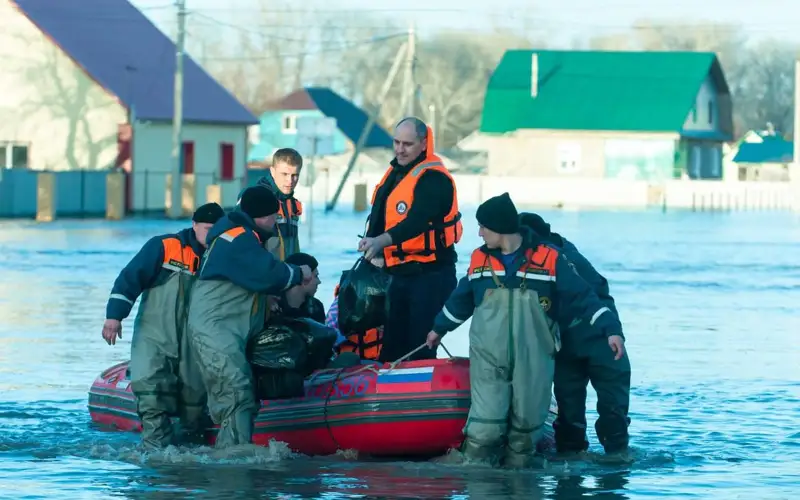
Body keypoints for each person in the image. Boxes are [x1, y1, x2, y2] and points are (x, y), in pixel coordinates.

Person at [425, 193, 624, 467]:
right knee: (485, 426)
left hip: (533, 360)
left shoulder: (550, 259)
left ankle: (520, 474)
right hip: (489, 357)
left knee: (526, 429)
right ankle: (477, 471)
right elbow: (461, 299)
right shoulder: (479, 260)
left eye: (483, 226)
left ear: (499, 227)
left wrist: (611, 330)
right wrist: (438, 329)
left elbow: (584, 297)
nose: (479, 233)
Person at [186, 186, 312, 449]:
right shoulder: (238, 238)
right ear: (261, 216)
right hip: (216, 330)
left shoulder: (241, 236)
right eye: (273, 217)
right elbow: (268, 274)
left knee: (242, 392)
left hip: (226, 330)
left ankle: (233, 450)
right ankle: (233, 459)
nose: (276, 222)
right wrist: (299, 273)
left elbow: (250, 279)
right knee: (236, 390)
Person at [101, 202, 225, 449]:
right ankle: (154, 454)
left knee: (194, 403)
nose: (212, 235)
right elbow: (129, 279)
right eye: (207, 229)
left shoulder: (224, 256)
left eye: (217, 230)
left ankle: (188, 457)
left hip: (196, 343)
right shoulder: (165, 246)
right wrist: (114, 316)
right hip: (154, 336)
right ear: (194, 225)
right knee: (151, 392)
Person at [519, 212, 631, 457]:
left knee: (602, 414)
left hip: (599, 342)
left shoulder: (559, 260)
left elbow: (593, 297)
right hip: (575, 344)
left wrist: (612, 331)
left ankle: (597, 458)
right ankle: (604, 458)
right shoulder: (554, 254)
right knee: (580, 415)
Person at [357, 117, 462, 362]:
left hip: (430, 274)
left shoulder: (434, 178)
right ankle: (387, 381)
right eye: (396, 142)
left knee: (419, 346)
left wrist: (381, 241)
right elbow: (380, 213)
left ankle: (422, 381)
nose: (400, 149)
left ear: (423, 143)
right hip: (398, 274)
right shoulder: (395, 173)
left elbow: (418, 220)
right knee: (392, 347)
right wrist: (371, 244)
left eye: (407, 144)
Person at [250, 148, 304, 260]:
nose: (290, 180)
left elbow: (294, 245)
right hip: (264, 269)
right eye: (284, 174)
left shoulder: (292, 204)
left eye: (295, 175)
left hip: (286, 269)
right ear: (272, 171)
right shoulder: (255, 199)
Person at [326, 282, 384, 362]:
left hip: (382, 358)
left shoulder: (388, 294)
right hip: (355, 361)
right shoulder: (343, 299)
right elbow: (331, 334)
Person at [277, 252, 325, 323]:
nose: (319, 281)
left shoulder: (316, 307)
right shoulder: (273, 307)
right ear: (303, 277)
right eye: (316, 276)